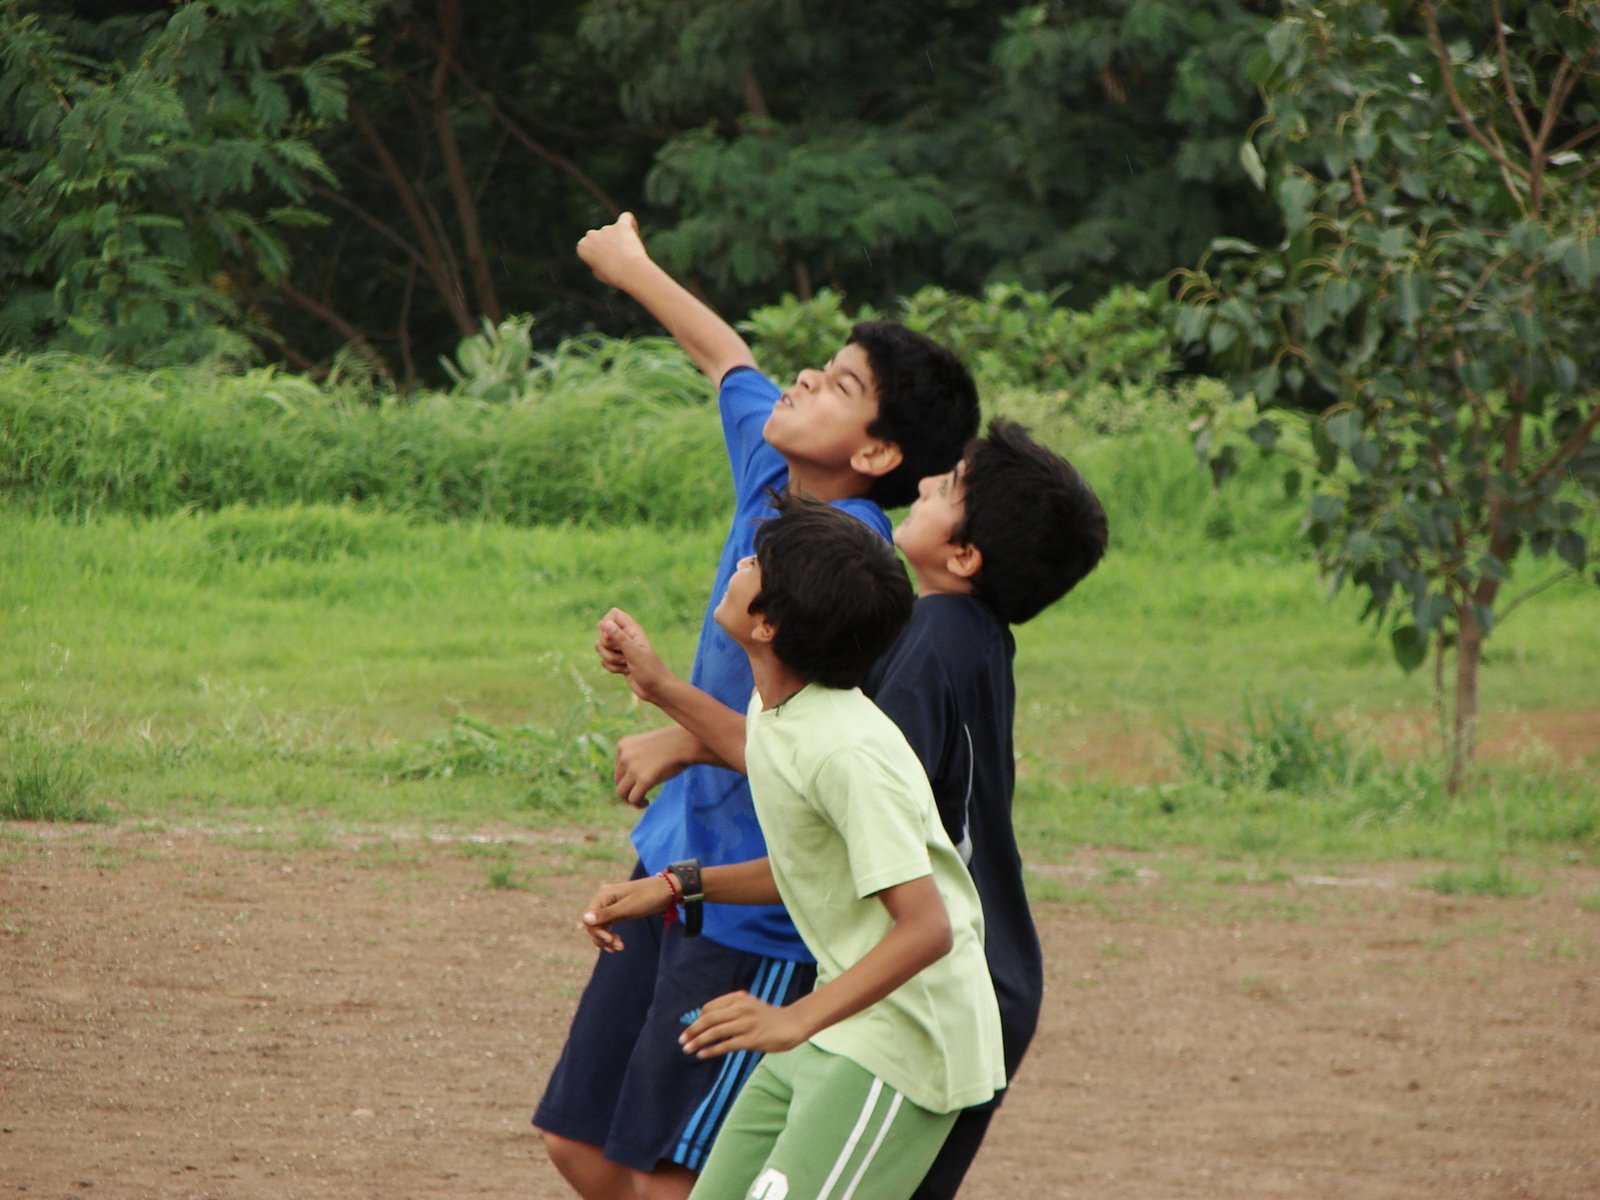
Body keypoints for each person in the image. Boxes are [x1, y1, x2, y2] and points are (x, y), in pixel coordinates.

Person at [534, 212, 980, 1200]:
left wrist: (680, 725)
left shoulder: (851, 573)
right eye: (823, 366)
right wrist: (630, 265)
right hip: (680, 856)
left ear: (877, 454)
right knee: (581, 1149)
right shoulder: (773, 467)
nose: (807, 378)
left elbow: (812, 756)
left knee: (671, 1176)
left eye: (841, 385)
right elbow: (723, 354)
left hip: (762, 910)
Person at [597, 418, 1108, 1199]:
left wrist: (794, 1017)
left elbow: (897, 885)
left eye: (949, 486)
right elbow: (821, 835)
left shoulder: (926, 652)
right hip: (886, 989)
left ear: (966, 555)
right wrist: (676, 881)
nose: (926, 482)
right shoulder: (929, 646)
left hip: (917, 1005)